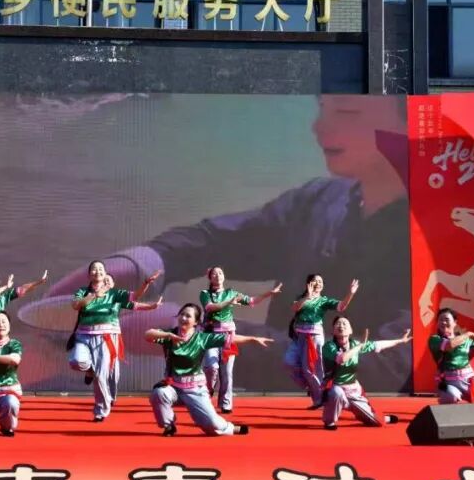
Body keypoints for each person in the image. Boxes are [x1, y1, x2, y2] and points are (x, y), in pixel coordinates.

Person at [48, 95, 411, 393]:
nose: (319, 127)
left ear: (410, 125)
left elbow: (388, 367)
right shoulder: (321, 200)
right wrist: (144, 262)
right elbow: (222, 241)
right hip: (267, 414)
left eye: (347, 113)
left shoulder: (434, 238)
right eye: (322, 108)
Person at [146, 304, 272, 436]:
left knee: (212, 427)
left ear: (196, 322)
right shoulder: (169, 335)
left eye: (188, 316)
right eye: (181, 314)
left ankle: (230, 428)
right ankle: (169, 426)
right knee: (158, 393)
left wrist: (252, 339)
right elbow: (148, 335)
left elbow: (229, 338)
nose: (183, 318)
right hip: (174, 388)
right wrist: (168, 335)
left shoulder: (201, 338)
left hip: (195, 389)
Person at [70, 260, 163, 422]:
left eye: (101, 269)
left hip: (106, 336)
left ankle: (101, 410)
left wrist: (146, 284)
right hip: (83, 335)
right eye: (94, 269)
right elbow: (76, 305)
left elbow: (135, 298)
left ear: (105, 274)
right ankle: (90, 370)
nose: (98, 271)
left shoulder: (115, 294)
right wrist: (95, 295)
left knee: (105, 374)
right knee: (76, 361)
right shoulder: (83, 291)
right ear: (89, 274)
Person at [199, 267, 281, 413]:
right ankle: (208, 391)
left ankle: (226, 404)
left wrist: (269, 293)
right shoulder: (205, 294)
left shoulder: (231, 293)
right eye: (214, 274)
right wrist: (229, 302)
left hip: (228, 335)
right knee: (211, 367)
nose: (218, 275)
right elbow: (210, 308)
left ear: (224, 276)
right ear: (210, 278)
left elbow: (252, 301)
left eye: (220, 273)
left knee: (227, 372)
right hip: (211, 336)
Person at [321, 316, 411, 430]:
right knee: (336, 393)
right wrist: (360, 346)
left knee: (375, 421)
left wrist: (400, 341)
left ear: (350, 330)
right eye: (338, 324)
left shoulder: (355, 344)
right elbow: (341, 359)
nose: (341, 326)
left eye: (344, 323)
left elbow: (378, 344)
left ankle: (383, 418)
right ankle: (330, 422)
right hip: (334, 387)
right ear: (333, 330)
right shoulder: (329, 346)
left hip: (352, 390)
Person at [285, 274, 359, 409]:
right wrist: (308, 296)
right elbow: (295, 308)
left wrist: (351, 293)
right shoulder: (301, 298)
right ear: (308, 284)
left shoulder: (324, 301)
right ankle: (313, 387)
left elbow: (341, 307)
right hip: (298, 336)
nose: (318, 283)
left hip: (313, 336)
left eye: (320, 282)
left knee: (312, 370)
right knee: (289, 362)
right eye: (315, 281)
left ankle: (320, 399)